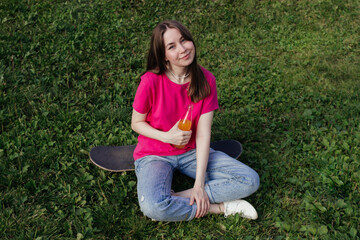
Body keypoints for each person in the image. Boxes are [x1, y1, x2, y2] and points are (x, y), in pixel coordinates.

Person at [131, 20, 259, 222]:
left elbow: (202, 133)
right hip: (155, 153)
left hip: (191, 152)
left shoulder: (206, 80)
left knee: (250, 180)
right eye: (172, 47)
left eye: (184, 40)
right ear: (163, 56)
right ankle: (220, 208)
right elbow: (136, 123)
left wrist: (199, 185)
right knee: (152, 207)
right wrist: (167, 136)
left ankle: (173, 199)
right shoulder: (151, 81)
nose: (182, 49)